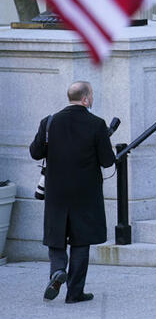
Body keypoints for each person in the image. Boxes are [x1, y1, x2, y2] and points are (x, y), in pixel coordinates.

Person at [29, 81, 115, 303]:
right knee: (81, 240)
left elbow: (35, 152)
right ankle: (75, 292)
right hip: (86, 192)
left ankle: (58, 270)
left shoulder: (49, 122)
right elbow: (107, 161)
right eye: (92, 96)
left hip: (56, 190)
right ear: (85, 99)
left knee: (56, 236)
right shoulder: (96, 124)